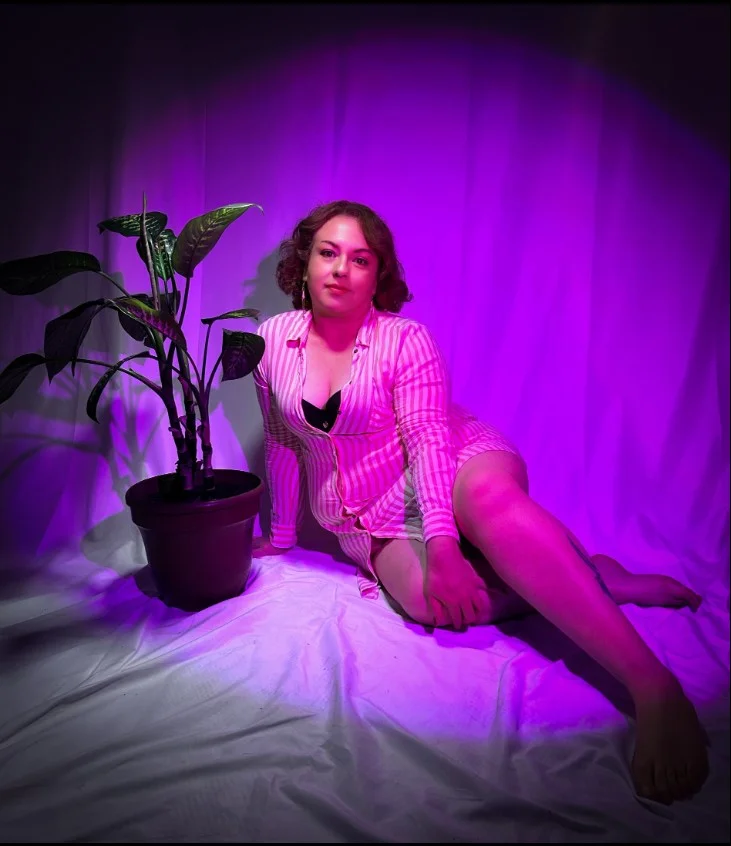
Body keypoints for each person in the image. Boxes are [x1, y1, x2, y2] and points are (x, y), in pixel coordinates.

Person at [251, 200, 709, 805]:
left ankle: (653, 687)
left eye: (359, 259)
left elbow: (427, 440)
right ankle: (594, 576)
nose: (340, 269)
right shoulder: (271, 342)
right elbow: (283, 440)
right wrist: (282, 535)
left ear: (378, 274)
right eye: (328, 253)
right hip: (367, 509)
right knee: (426, 603)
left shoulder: (405, 339)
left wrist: (443, 544)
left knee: (489, 502)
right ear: (304, 262)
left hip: (457, 456)